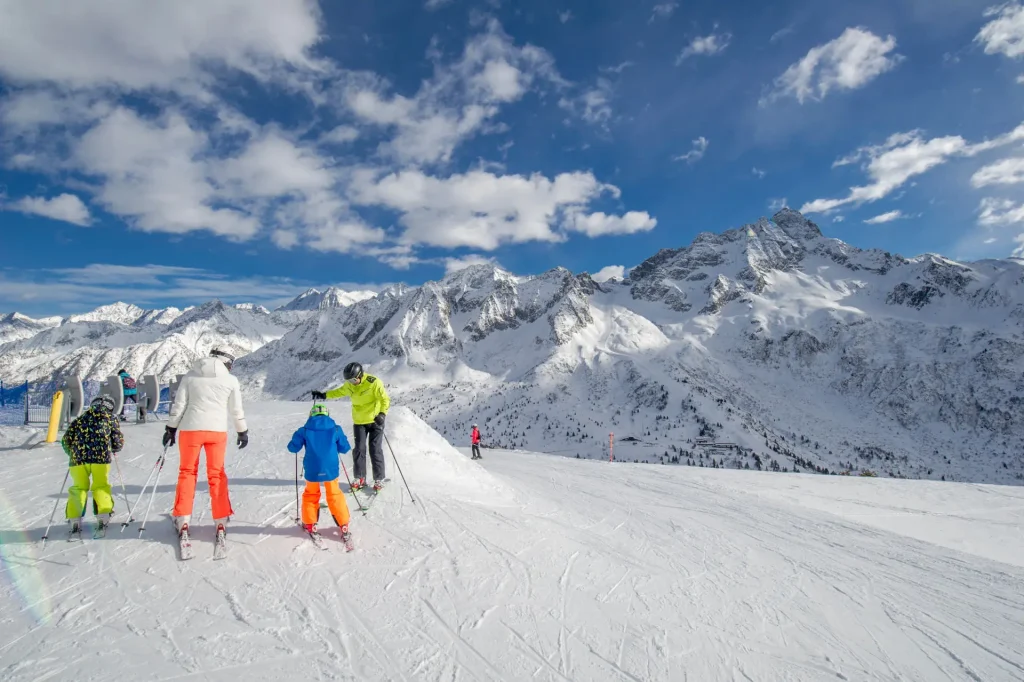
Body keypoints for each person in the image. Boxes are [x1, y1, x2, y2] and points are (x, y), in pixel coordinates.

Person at [163, 348, 248, 546]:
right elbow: (236, 410)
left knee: (187, 472)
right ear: (227, 363)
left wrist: (170, 428)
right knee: (217, 474)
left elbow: (179, 404)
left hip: (190, 430)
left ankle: (183, 519)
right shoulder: (230, 380)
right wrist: (242, 431)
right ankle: (220, 521)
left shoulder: (190, 376)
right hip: (217, 431)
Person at [312, 362, 389, 492]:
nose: (352, 382)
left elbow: (385, 399)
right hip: (359, 421)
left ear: (360, 374)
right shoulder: (350, 385)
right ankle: (360, 478)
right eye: (349, 380)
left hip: (375, 421)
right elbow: (339, 392)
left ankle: (379, 479)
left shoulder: (374, 382)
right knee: (359, 449)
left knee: (375, 449)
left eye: (354, 379)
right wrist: (324, 395)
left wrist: (382, 414)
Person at [286, 403, 353, 548]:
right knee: (334, 494)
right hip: (331, 469)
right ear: (327, 415)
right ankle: (344, 525)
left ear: (311, 415)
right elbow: (345, 448)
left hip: (312, 468)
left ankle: (310, 524)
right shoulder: (336, 429)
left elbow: (292, 448)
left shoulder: (303, 430)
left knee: (311, 494)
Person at [61, 394, 124, 537]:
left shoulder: (79, 419)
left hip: (78, 460)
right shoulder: (110, 419)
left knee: (79, 488)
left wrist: (72, 452)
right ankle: (103, 515)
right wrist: (114, 448)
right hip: (100, 459)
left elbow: (66, 441)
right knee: (100, 485)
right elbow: (117, 441)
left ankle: (74, 518)